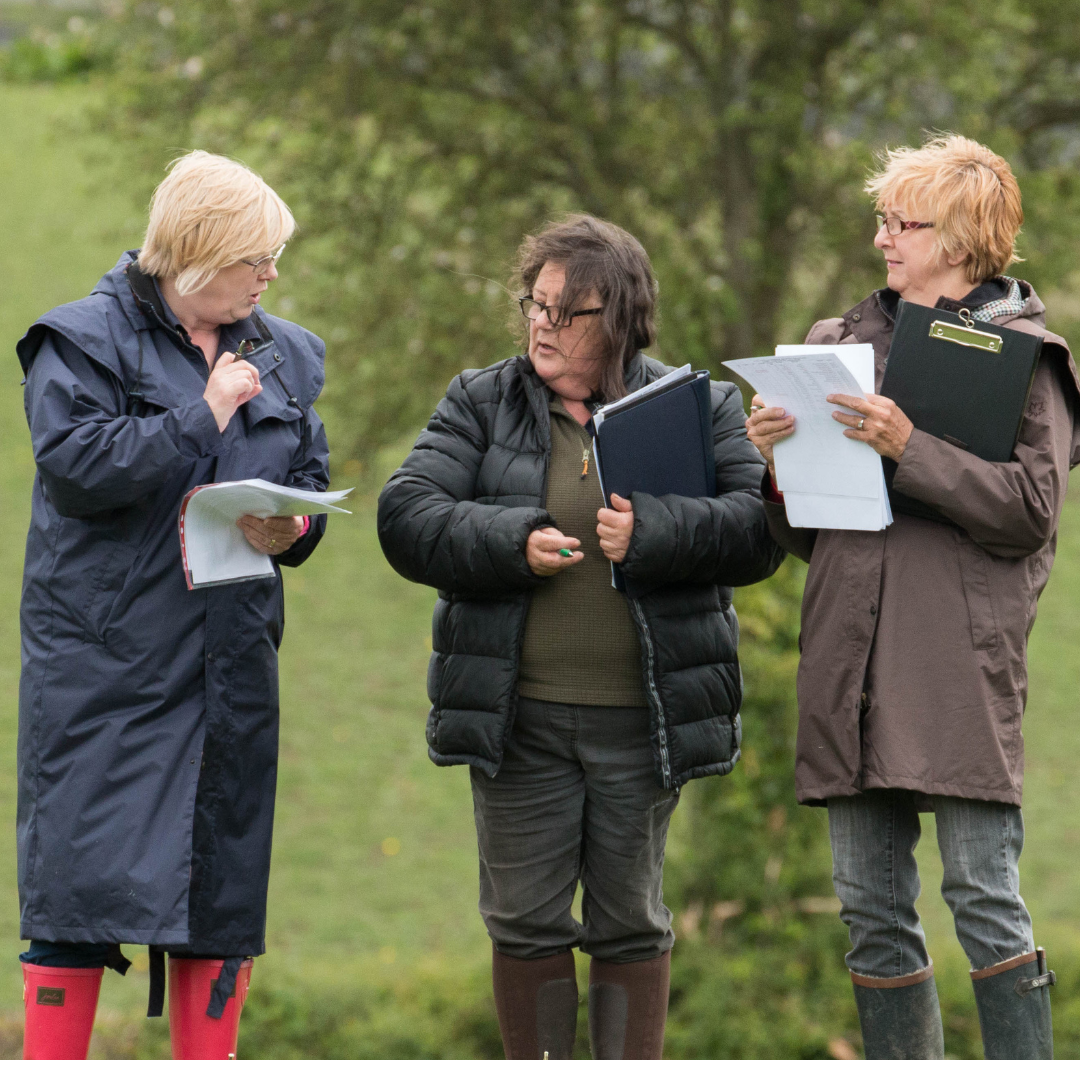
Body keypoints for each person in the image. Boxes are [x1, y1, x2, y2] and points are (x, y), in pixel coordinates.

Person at [378, 214, 784, 1059]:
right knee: (524, 920)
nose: (542, 323)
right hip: (516, 719)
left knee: (630, 920)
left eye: (568, 311)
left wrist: (656, 532)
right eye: (536, 302)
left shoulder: (694, 406)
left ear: (624, 321)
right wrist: (511, 541)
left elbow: (755, 532)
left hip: (641, 720)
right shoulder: (479, 401)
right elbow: (406, 516)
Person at [746, 135, 1080, 1060]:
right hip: (847, 658)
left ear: (965, 239)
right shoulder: (832, 348)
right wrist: (775, 464)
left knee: (982, 896)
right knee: (870, 909)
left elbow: (1029, 512)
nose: (883, 239)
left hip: (957, 665)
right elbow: (809, 537)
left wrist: (909, 448)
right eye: (881, 220)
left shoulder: (1030, 359)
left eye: (905, 223)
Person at [16, 151, 331, 1059]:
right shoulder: (79, 340)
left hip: (230, 662)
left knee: (218, 903)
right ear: (199, 251)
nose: (271, 276)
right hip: (104, 672)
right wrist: (204, 414)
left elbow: (306, 484)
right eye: (255, 258)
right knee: (75, 896)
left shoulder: (288, 353)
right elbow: (77, 468)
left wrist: (295, 533)